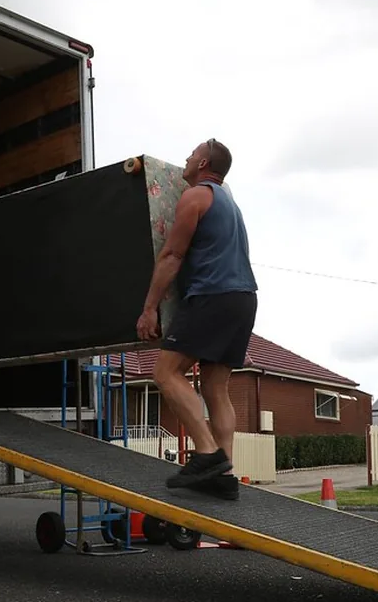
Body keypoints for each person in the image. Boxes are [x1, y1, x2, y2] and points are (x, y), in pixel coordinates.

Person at [136, 138, 258, 500]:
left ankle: (207, 454)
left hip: (213, 297)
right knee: (215, 388)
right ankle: (224, 474)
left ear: (203, 163)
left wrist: (149, 308)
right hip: (243, 300)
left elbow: (172, 255)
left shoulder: (196, 196)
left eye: (191, 154)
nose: (186, 159)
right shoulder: (229, 204)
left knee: (165, 372)